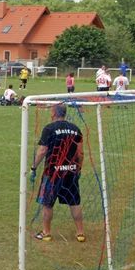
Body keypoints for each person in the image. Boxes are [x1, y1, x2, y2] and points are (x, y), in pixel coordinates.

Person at [31, 103, 86, 242]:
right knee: (74, 202)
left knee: (47, 203)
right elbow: (80, 153)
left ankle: (46, 233)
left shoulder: (49, 128)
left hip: (52, 173)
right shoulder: (75, 129)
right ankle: (80, 233)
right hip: (70, 172)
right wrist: (78, 169)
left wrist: (33, 167)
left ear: (54, 113)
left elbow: (42, 151)